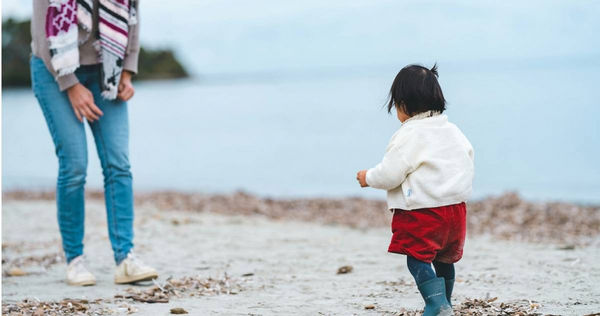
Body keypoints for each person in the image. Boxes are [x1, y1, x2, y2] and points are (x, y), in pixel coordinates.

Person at [30, 0, 157, 286]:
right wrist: (71, 85)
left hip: (106, 68)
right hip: (54, 72)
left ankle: (125, 258)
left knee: (118, 164)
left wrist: (126, 72)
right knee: (74, 165)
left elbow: (132, 15)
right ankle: (75, 260)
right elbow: (42, 32)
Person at [356, 64, 474, 315]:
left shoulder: (408, 135)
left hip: (423, 212)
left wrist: (368, 178)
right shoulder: (453, 131)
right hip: (456, 211)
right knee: (445, 259)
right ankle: (446, 303)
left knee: (417, 257)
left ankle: (437, 304)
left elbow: (390, 173)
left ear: (402, 105)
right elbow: (467, 160)